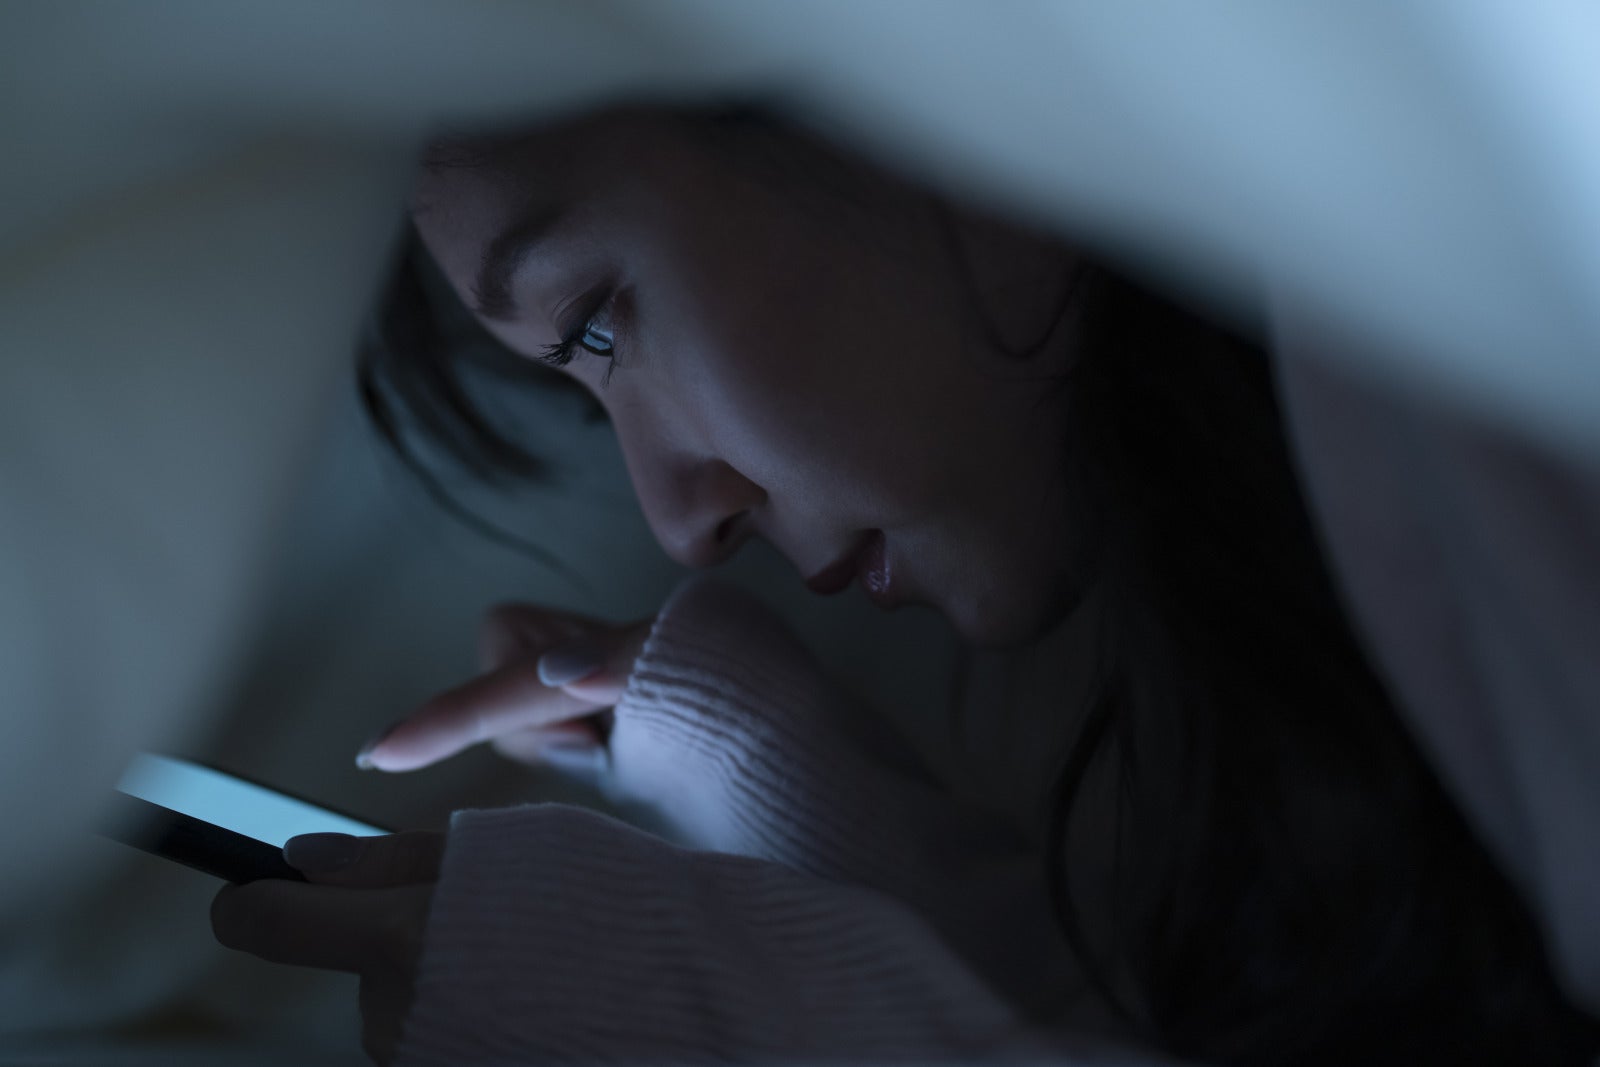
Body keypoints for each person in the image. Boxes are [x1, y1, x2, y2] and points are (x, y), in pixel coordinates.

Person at [209, 104, 1600, 1066]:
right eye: (589, 392)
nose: (681, 519)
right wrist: (780, 784)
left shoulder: (1474, 351)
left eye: (597, 319)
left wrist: (708, 1016)